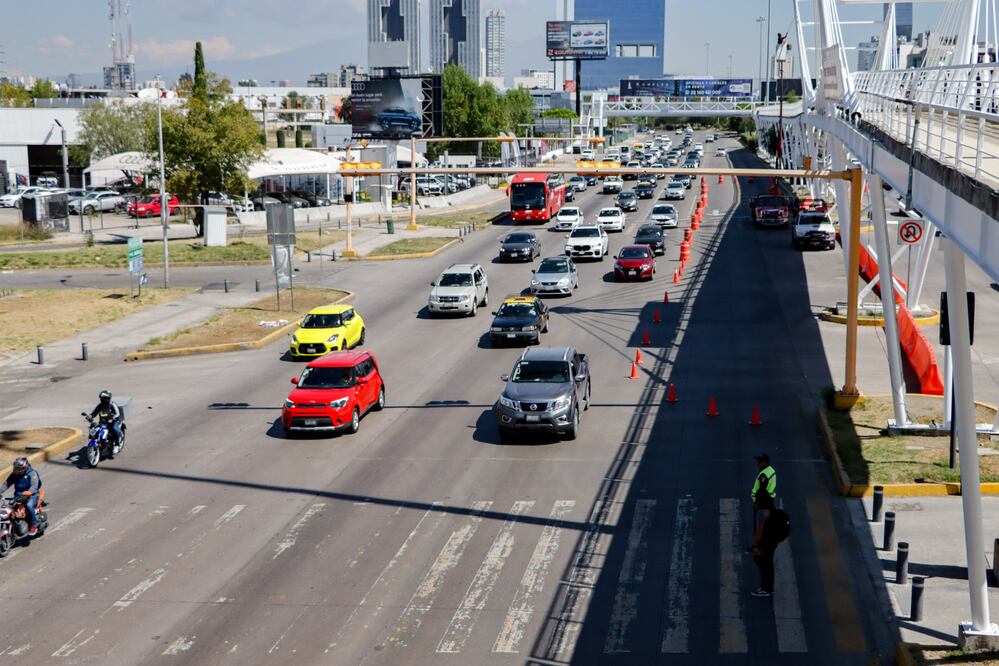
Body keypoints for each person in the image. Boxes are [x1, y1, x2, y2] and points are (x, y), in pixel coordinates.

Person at [0, 457, 41, 535]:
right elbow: (7, 484)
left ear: (24, 468)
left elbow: (34, 485)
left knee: (29, 505)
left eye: (18, 468)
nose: (16, 470)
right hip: (18, 497)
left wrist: (29, 492)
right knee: (6, 507)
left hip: (32, 496)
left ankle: (34, 524)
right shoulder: (15, 474)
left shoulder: (32, 473)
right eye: (15, 468)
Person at [750, 491, 778, 597]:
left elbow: (759, 532)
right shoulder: (772, 508)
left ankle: (765, 589)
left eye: (756, 500)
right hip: (773, 541)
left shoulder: (761, 513)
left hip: (765, 543)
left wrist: (756, 546)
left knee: (763, 564)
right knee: (769, 565)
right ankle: (769, 588)